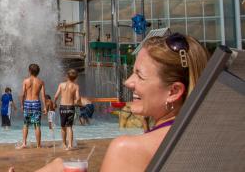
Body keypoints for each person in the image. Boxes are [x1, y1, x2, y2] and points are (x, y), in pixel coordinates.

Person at [33, 33, 209, 172]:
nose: (127, 82)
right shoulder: (209, 143)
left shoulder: (128, 150)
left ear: (174, 91)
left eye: (139, 75)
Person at [18, 63, 46, 149]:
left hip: (27, 102)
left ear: (29, 71)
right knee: (37, 125)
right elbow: (43, 96)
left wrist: (22, 104)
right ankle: (38, 145)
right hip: (36, 103)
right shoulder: (40, 82)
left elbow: (22, 94)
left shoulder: (25, 81)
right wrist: (45, 107)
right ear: (38, 72)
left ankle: (24, 143)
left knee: (26, 124)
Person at [54, 68, 80, 150]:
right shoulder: (76, 86)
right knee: (69, 127)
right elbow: (78, 98)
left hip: (63, 107)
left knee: (63, 127)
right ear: (75, 78)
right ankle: (70, 145)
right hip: (71, 107)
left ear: (67, 76)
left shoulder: (61, 85)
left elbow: (56, 96)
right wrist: (76, 102)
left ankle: (64, 144)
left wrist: (54, 103)